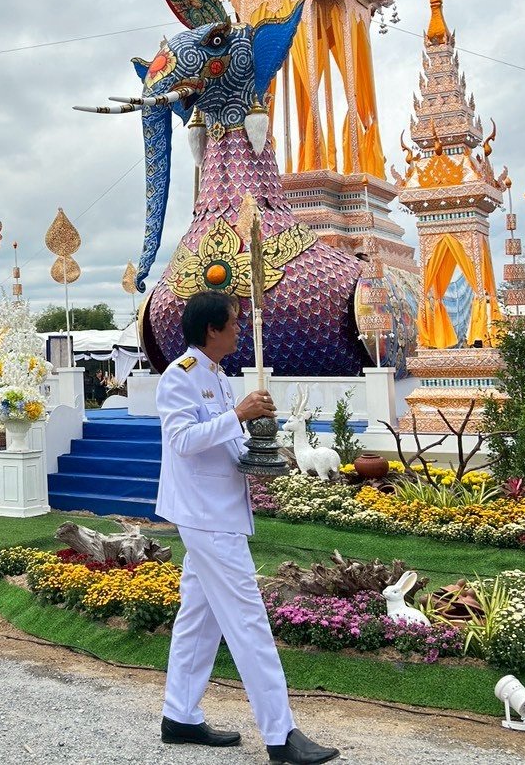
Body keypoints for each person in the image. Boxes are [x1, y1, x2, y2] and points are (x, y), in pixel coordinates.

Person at [156, 292, 338, 765]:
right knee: (248, 620)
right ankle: (281, 734)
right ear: (212, 330)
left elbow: (227, 442)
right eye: (234, 323)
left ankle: (180, 715)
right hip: (204, 514)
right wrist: (238, 415)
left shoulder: (218, 377)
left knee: (200, 616)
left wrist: (261, 455)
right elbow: (182, 441)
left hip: (219, 508)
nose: (240, 330)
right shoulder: (180, 378)